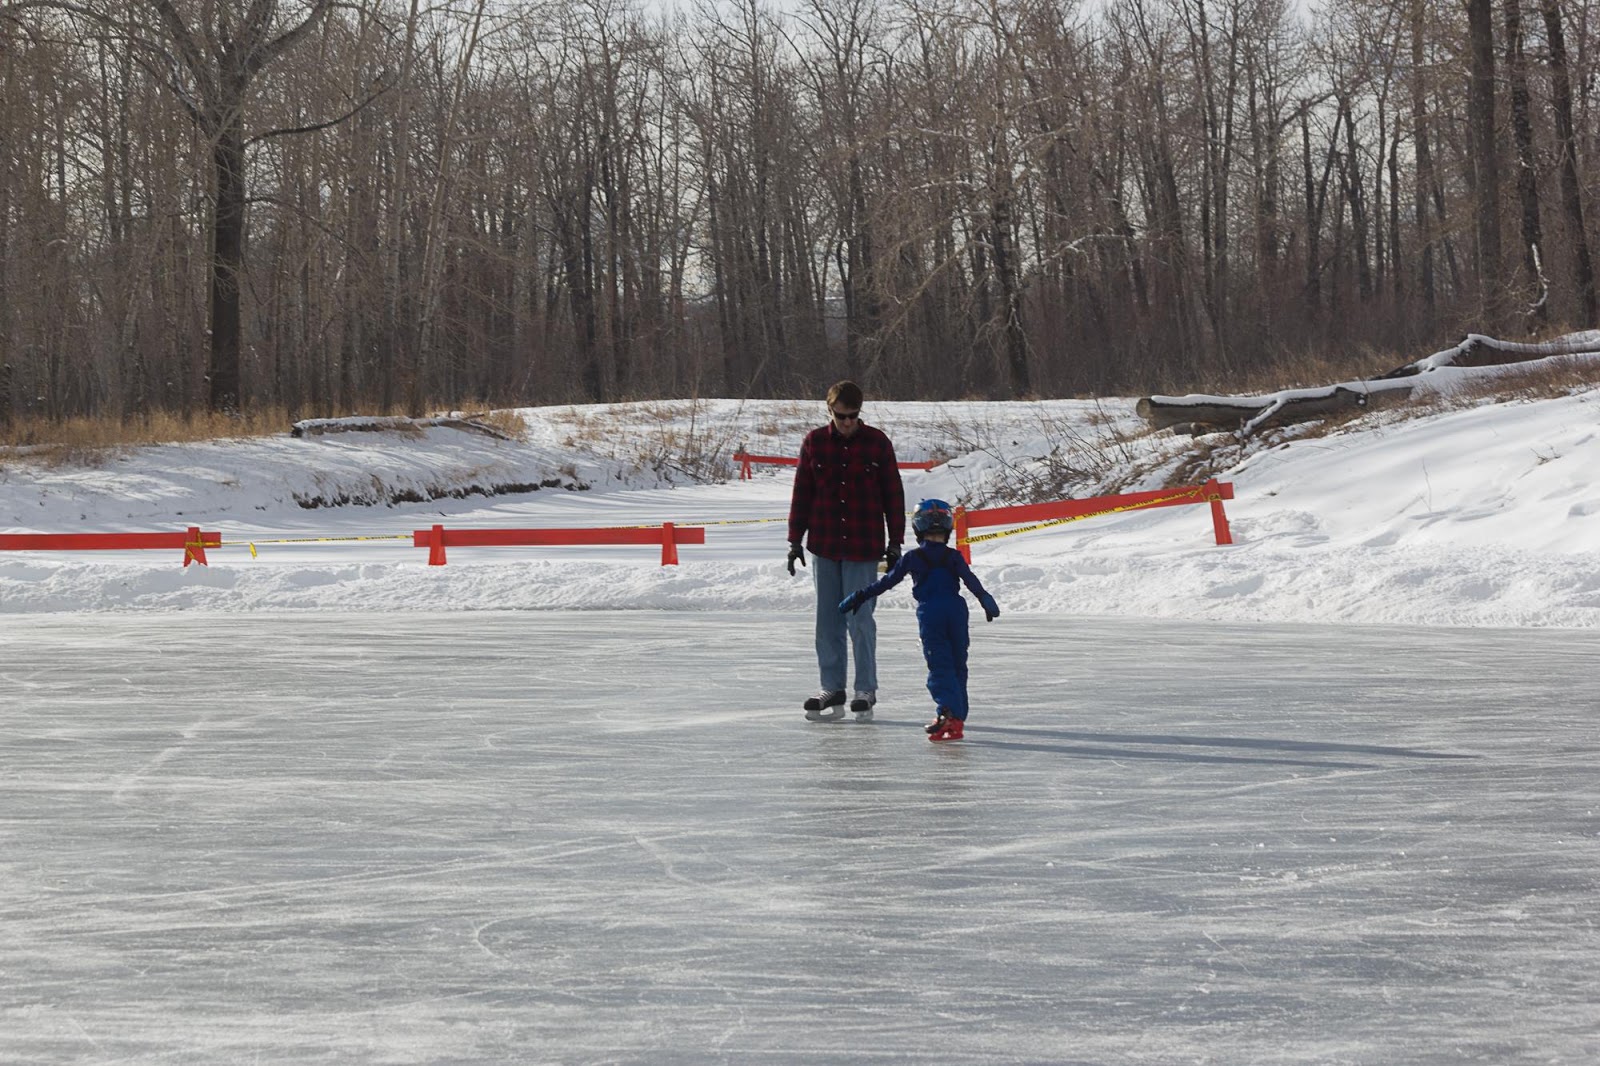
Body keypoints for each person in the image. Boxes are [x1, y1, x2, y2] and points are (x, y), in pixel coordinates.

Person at [787, 380, 906, 723]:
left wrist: (895, 542)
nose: (848, 422)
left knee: (860, 619)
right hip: (824, 544)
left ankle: (865, 689)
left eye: (853, 416)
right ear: (831, 412)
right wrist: (795, 540)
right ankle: (832, 686)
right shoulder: (814, 443)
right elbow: (802, 493)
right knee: (827, 621)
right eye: (842, 416)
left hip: (863, 545)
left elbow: (893, 495)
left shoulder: (877, 443)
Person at [839, 499, 999, 743]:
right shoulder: (953, 556)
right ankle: (956, 717)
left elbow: (887, 582)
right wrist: (984, 598)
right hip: (957, 611)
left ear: (917, 528)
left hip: (931, 613)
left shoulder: (914, 558)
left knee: (940, 665)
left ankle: (948, 713)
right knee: (957, 664)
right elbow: (970, 580)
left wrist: (860, 595)